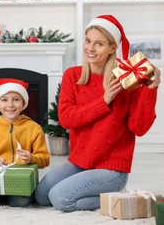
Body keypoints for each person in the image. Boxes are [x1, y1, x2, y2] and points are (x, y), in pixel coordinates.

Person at [35, 15, 161, 212]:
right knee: (41, 196)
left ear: (112, 48)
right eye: (88, 41)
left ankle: (116, 195)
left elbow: (139, 128)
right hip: (80, 162)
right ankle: (106, 193)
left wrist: (150, 90)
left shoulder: (127, 81)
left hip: (112, 169)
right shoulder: (73, 75)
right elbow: (66, 119)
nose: (90, 49)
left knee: (59, 198)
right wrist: (104, 101)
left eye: (99, 44)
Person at [0, 78, 50, 207]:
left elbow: (45, 159)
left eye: (16, 99)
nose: (10, 105)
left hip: (20, 178)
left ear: (23, 103)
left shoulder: (34, 128)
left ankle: (11, 195)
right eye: (4, 100)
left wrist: (31, 158)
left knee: (20, 202)